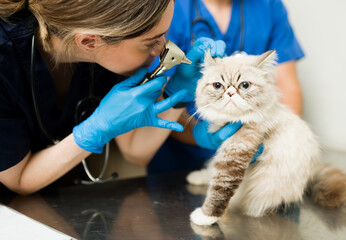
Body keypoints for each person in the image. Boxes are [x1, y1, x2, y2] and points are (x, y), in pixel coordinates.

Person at [0, 0, 226, 194]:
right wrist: (98, 128)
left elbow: (138, 148)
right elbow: (19, 179)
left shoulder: (108, 55)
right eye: (151, 42)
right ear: (89, 42)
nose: (162, 50)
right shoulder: (4, 56)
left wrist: (180, 92)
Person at [146, 0, 305, 174]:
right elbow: (154, 101)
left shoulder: (268, 6)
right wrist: (201, 135)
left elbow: (288, 87)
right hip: (178, 163)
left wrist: (277, 141)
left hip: (254, 159)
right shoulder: (170, 7)